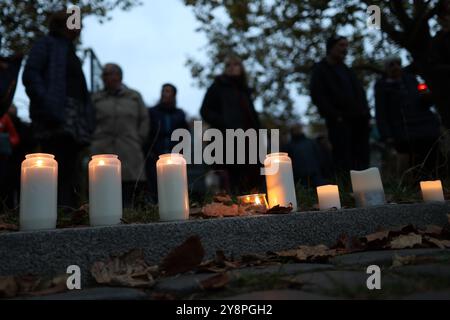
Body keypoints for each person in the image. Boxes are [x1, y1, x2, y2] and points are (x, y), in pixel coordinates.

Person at [22, 11, 95, 209]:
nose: (79, 28)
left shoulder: (69, 50)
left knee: (70, 167)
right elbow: (31, 74)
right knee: (55, 164)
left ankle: (68, 210)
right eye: (75, 23)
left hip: (74, 118)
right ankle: (52, 211)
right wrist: (47, 104)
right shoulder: (47, 44)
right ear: (64, 23)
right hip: (54, 116)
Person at [200, 54, 262, 194]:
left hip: (248, 139)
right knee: (231, 177)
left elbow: (251, 116)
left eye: (235, 64)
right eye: (228, 65)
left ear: (241, 68)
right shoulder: (218, 86)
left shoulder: (244, 90)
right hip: (226, 139)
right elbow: (205, 110)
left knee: (251, 177)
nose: (231, 67)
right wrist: (223, 123)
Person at [310, 36, 371, 174]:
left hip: (359, 121)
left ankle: (366, 187)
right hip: (339, 122)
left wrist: (366, 114)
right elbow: (317, 95)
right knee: (343, 158)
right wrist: (335, 116)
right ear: (331, 48)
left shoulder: (347, 70)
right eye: (341, 45)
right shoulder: (320, 70)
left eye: (346, 45)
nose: (345, 49)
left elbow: (360, 93)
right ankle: (347, 189)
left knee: (361, 157)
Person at [91, 63, 149, 208]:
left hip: (130, 148)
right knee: (104, 186)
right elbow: (88, 120)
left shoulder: (134, 96)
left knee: (132, 188)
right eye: (104, 74)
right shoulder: (96, 98)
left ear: (119, 76)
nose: (107, 77)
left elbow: (144, 119)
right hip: (103, 149)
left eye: (110, 73)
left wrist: (140, 138)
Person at [375, 56, 441, 178]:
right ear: (386, 69)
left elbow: (424, 103)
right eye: (391, 64)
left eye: (398, 64)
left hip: (426, 127)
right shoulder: (382, 86)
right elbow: (381, 112)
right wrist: (386, 135)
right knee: (412, 167)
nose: (395, 67)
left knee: (432, 162)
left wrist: (427, 97)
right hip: (403, 131)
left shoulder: (410, 80)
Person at [146, 83, 189, 201]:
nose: (165, 93)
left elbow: (185, 134)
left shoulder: (179, 114)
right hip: (155, 155)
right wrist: (149, 151)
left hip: (174, 156)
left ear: (174, 95)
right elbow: (146, 132)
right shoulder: (152, 112)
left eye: (168, 91)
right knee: (155, 184)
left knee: (174, 184)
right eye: (163, 91)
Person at [0, 112, 20, 211]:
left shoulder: (4, 116)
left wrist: (6, 143)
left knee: (5, 183)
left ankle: (6, 211)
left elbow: (15, 137)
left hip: (3, 159)